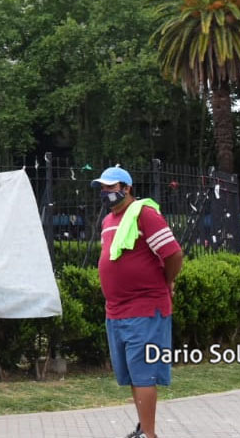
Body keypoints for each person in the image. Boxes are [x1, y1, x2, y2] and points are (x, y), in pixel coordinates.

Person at [93, 166, 184, 438]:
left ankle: (150, 434)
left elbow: (173, 254)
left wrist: (167, 282)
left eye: (110, 187)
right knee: (133, 374)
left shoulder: (144, 213)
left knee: (144, 373)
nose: (105, 192)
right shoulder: (109, 220)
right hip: (117, 310)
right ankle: (143, 428)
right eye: (102, 187)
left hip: (144, 307)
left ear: (127, 187)